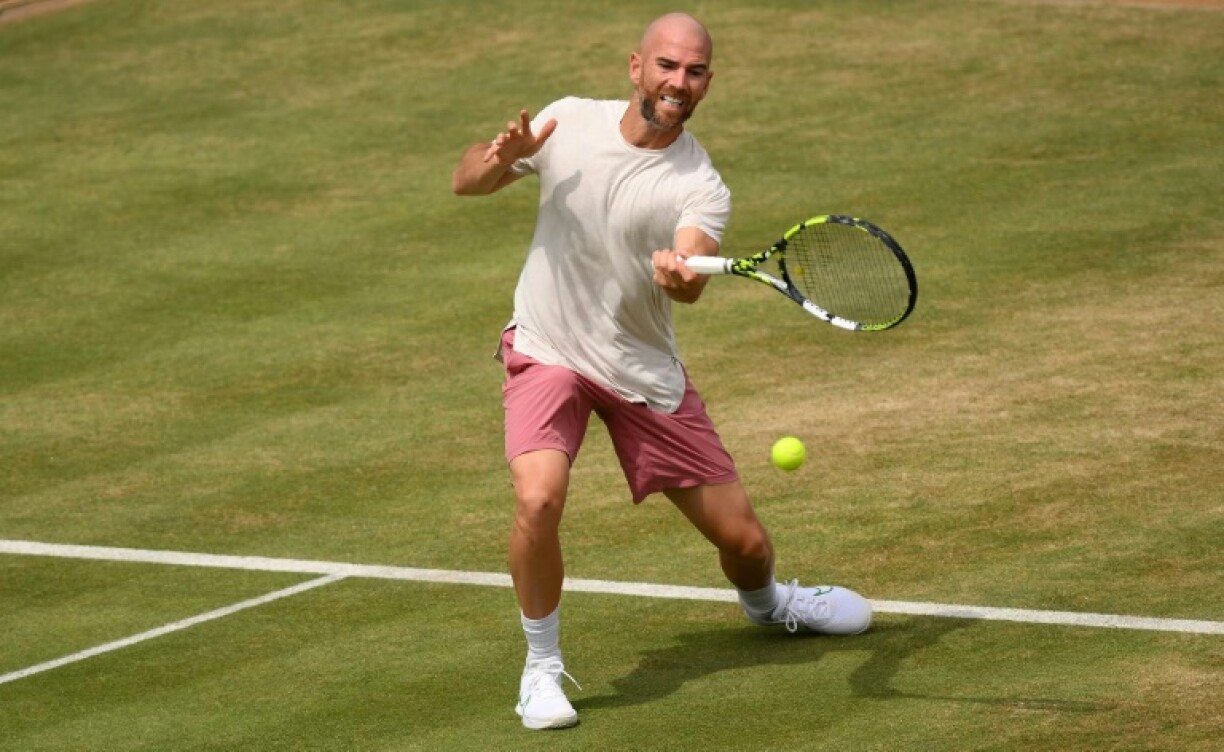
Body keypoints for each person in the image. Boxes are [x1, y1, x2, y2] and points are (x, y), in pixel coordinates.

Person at [451, 12, 872, 731]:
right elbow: (466, 182)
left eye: (696, 71)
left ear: (708, 82)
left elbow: (692, 270)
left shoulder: (700, 184)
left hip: (638, 367)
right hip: (548, 346)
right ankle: (542, 668)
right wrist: (502, 156)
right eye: (669, 66)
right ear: (636, 68)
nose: (681, 82)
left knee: (744, 544)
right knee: (538, 499)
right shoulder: (567, 122)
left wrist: (679, 274)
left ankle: (771, 604)